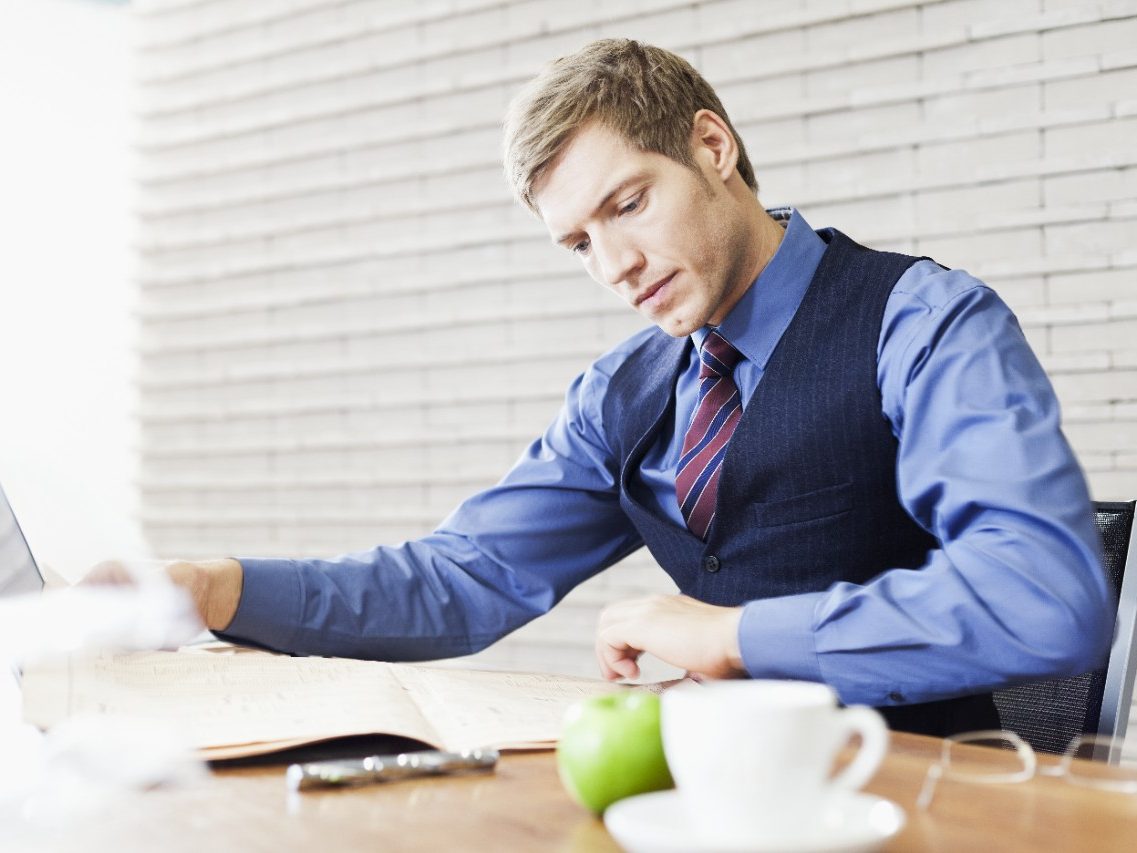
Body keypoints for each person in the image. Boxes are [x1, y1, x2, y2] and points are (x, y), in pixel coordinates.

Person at [95, 39, 1112, 736]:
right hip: (720, 800)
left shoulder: (923, 321)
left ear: (712, 148)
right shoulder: (622, 396)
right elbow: (459, 579)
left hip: (935, 801)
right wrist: (219, 587)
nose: (615, 263)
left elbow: (1045, 597)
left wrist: (733, 636)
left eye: (629, 204)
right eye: (579, 241)